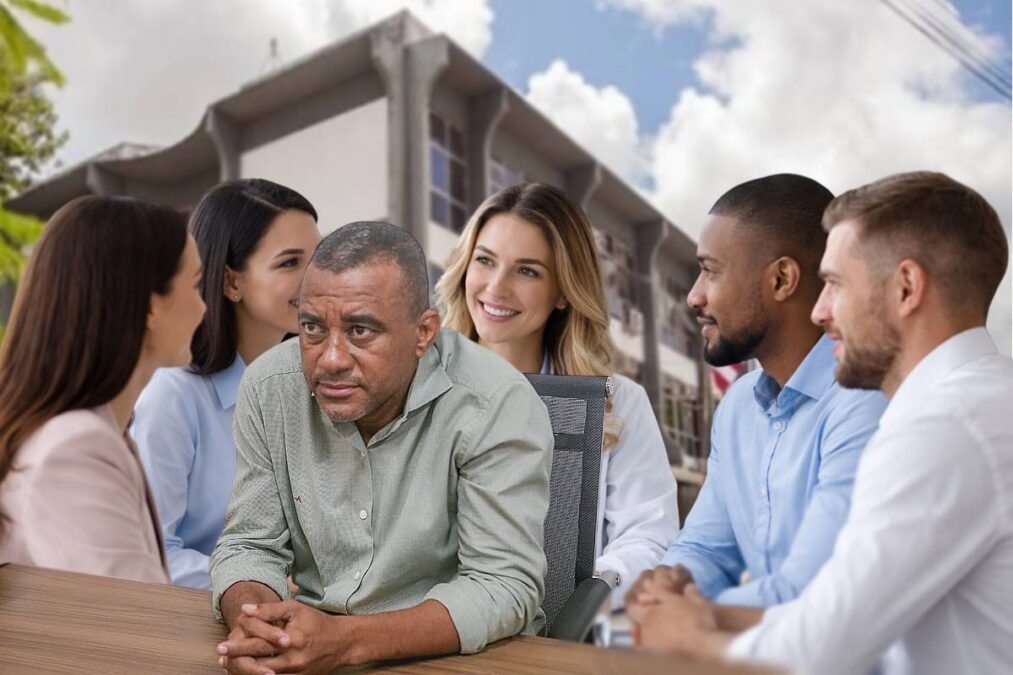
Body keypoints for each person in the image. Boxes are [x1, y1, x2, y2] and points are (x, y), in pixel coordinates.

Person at [632, 171, 1013, 675]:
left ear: (905, 288)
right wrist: (688, 610)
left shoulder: (943, 427)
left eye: (834, 284)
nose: (819, 310)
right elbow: (834, 615)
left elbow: (819, 646)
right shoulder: (972, 403)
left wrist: (689, 633)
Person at [211, 221, 553, 673]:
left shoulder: (495, 402)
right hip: (312, 649)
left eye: (360, 331)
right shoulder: (269, 388)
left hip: (457, 657)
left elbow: (501, 585)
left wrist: (346, 642)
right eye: (312, 327)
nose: (330, 359)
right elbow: (249, 544)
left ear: (424, 332)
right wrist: (256, 628)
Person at [628, 174, 886, 619]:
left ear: (782, 279)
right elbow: (704, 550)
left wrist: (679, 619)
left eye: (710, 271)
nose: (693, 296)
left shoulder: (867, 401)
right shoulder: (739, 406)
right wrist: (653, 602)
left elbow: (813, 592)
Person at [435, 182, 679, 605]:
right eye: (485, 261)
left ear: (564, 291)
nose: (496, 287)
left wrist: (579, 592)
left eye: (527, 270)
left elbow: (649, 541)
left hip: (558, 643)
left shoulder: (617, 403)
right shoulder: (419, 385)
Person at [0, 195, 206, 582]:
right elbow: (133, 630)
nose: (204, 308)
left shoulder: (90, 433)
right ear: (149, 306)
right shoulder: (75, 449)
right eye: (195, 286)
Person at [131, 179, 320, 589]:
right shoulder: (174, 396)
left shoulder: (312, 389)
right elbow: (152, 553)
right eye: (290, 263)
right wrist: (265, 585)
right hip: (199, 624)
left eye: (318, 259)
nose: (315, 281)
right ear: (232, 282)